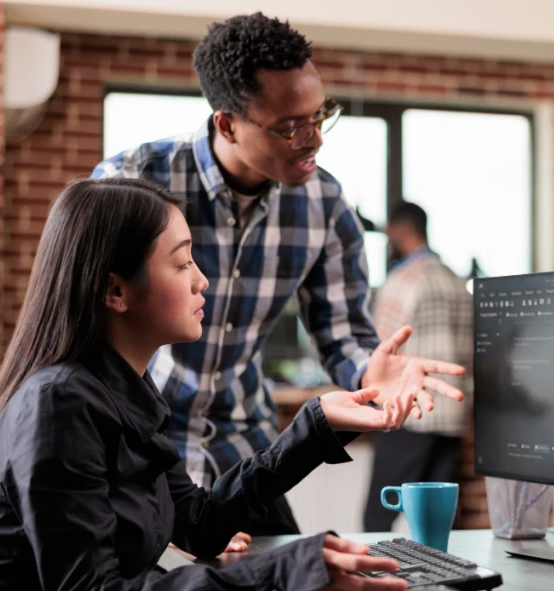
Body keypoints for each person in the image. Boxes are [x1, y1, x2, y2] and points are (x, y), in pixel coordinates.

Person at [0, 178, 414, 591]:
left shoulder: (124, 390)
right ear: (115, 289)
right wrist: (281, 570)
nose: (202, 280)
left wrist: (316, 426)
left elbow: (198, 523)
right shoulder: (58, 404)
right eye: (181, 262)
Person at [91, 13, 465, 536]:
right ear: (227, 124)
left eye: (321, 115)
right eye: (291, 126)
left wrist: (369, 375)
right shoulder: (133, 182)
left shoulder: (326, 204)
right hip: (136, 442)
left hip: (242, 444)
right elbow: (88, 339)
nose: (313, 140)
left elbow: (344, 336)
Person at [363, 201, 473, 532]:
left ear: (400, 230)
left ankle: (374, 583)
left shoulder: (404, 279)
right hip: (452, 415)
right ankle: (438, 580)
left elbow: (380, 348)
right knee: (436, 522)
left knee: (377, 518)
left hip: (410, 415)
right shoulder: (455, 280)